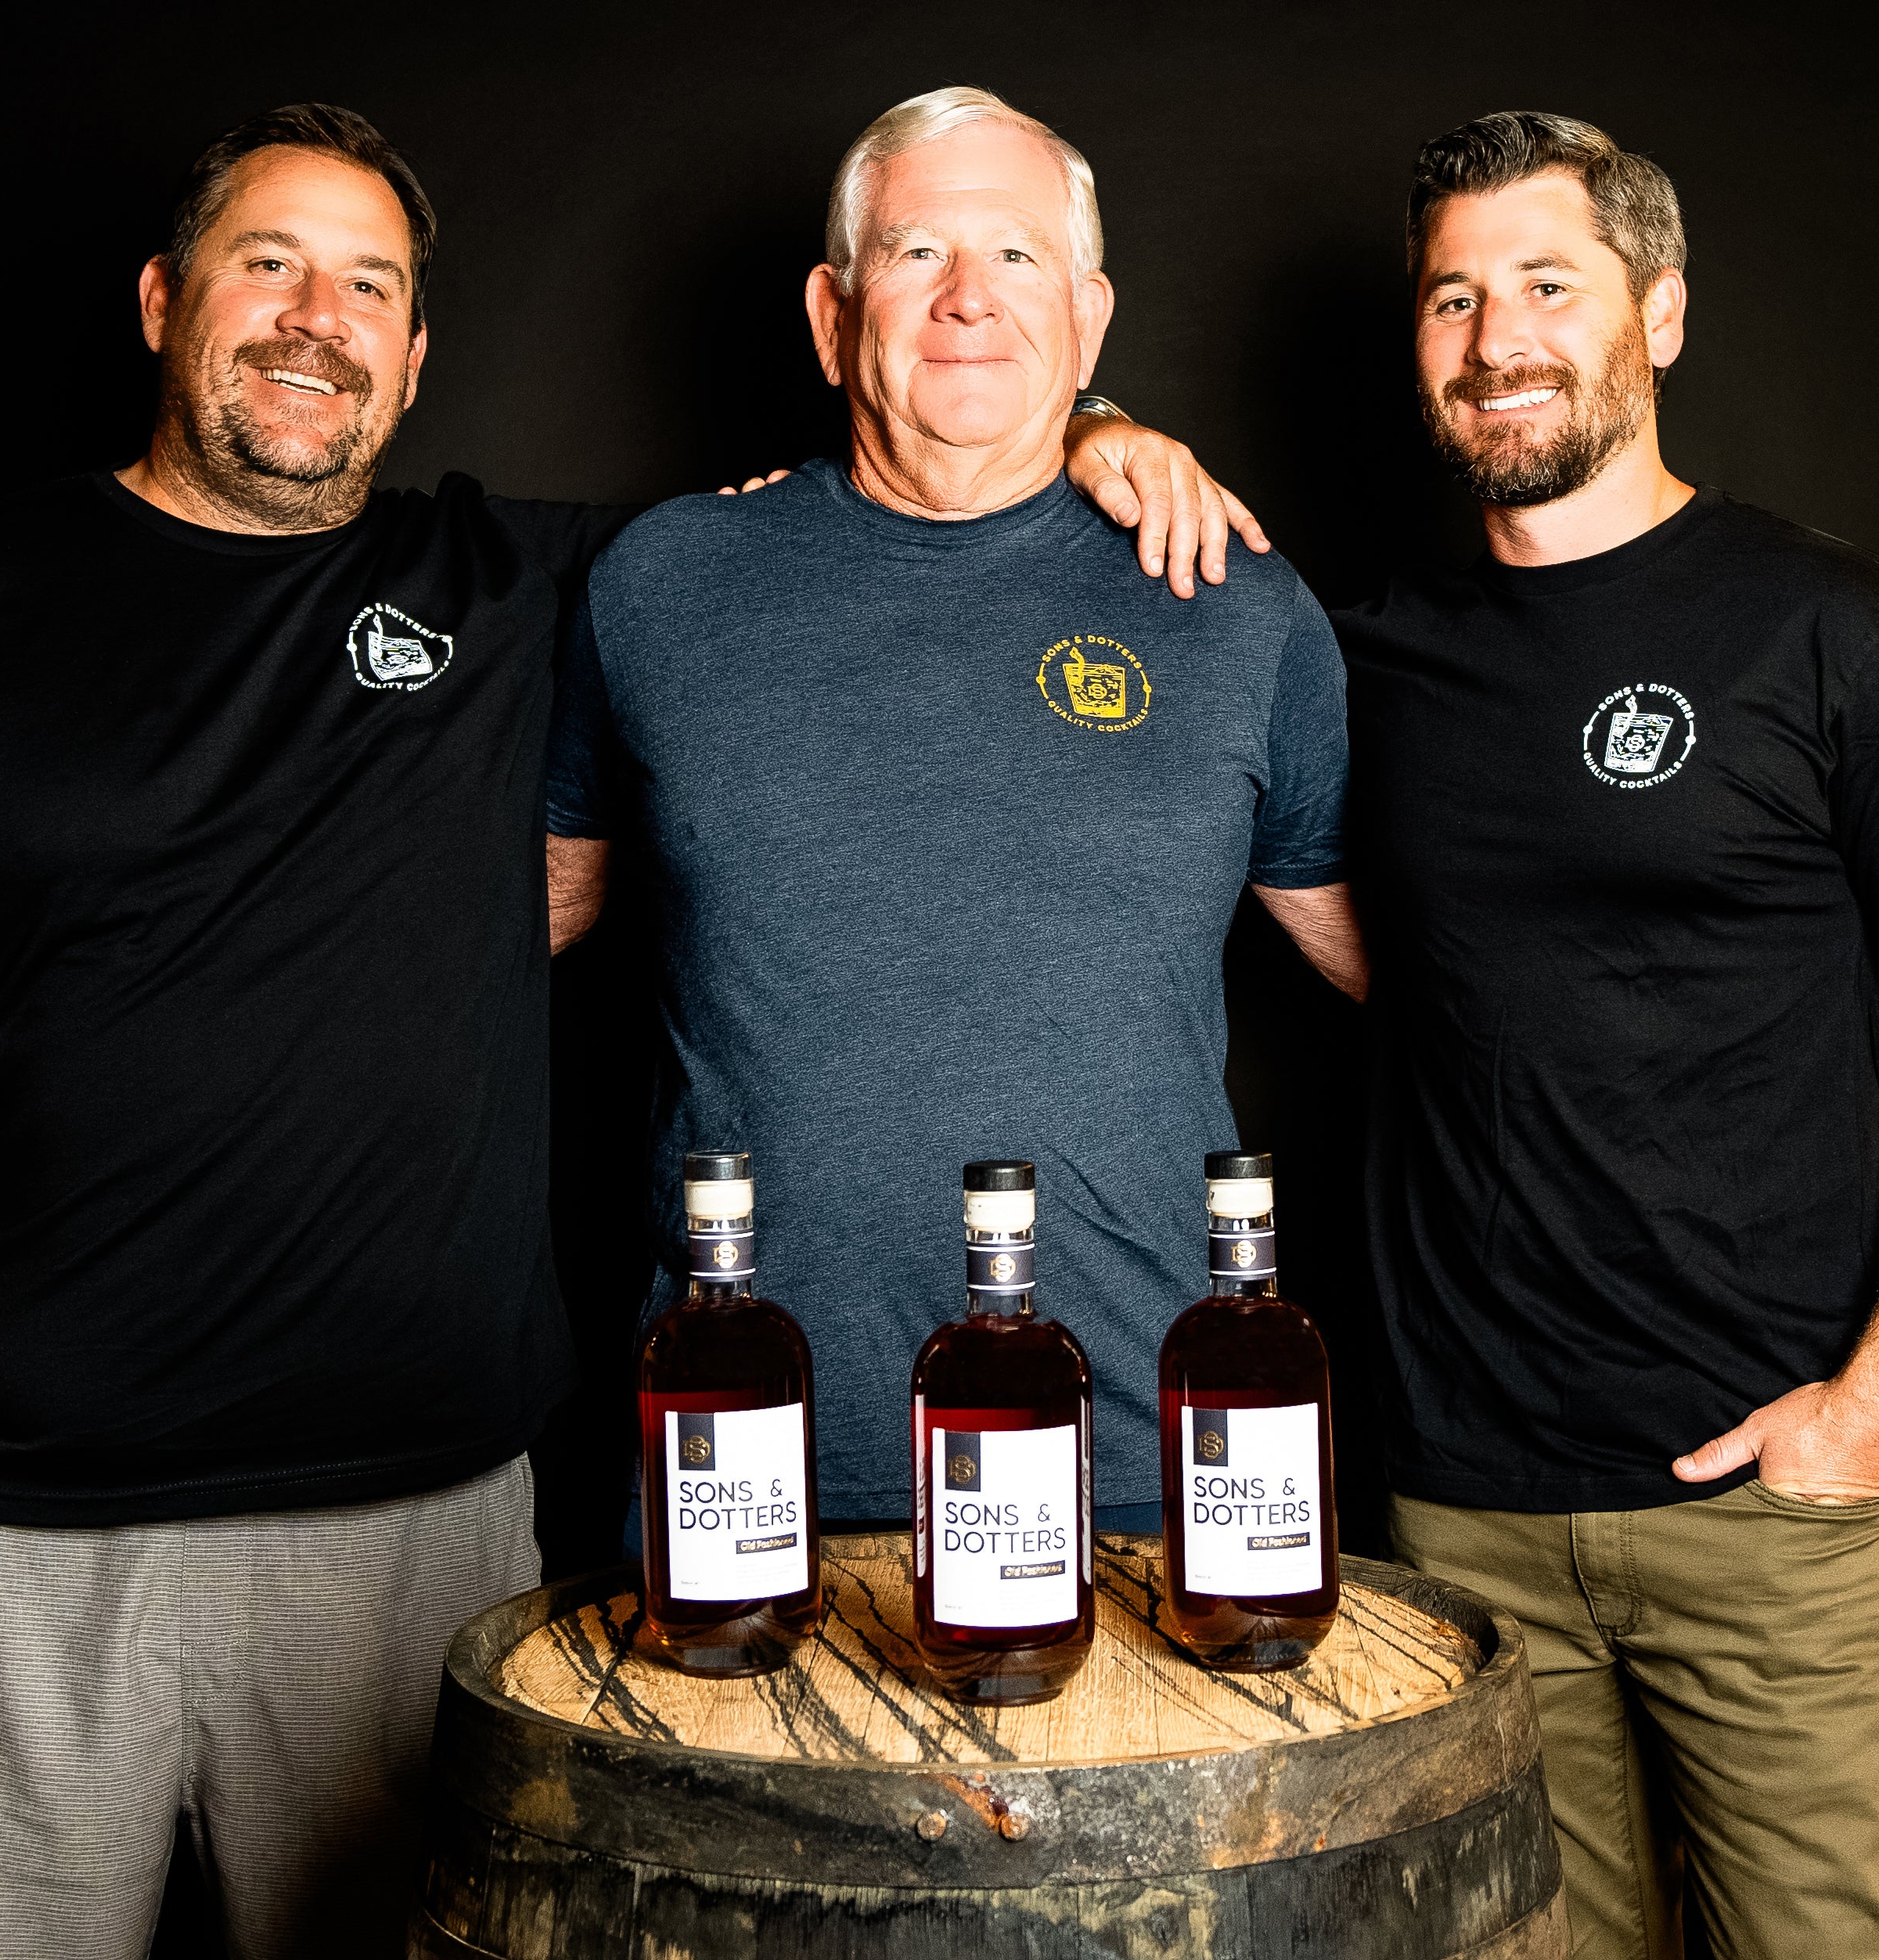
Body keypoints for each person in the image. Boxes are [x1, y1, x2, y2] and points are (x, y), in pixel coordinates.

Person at [0, 102, 1258, 1958]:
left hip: (408, 1532)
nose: (312, 316)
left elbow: (914, 469)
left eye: (366, 284)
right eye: (264, 264)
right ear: (158, 301)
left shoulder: (530, 584)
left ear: (416, 353)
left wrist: (1095, 425)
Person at [1338, 110, 1879, 1959]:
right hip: (1460, 1518)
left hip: (1773, 1516)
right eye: (1452, 295)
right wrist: (1098, 440)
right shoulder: (1360, 653)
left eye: (1548, 284)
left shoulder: (1840, 630)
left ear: (1656, 314)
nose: (1497, 335)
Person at [546, 86, 1366, 1544]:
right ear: (830, 310)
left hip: (1147, 1466)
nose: (970, 301)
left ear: (1092, 316)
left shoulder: (1239, 607)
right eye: (920, 254)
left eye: (1019, 258)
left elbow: (1409, 967)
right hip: (745, 1461)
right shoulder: (663, 585)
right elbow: (507, 923)